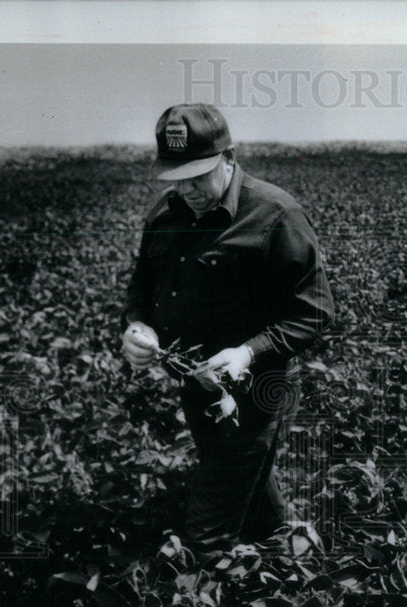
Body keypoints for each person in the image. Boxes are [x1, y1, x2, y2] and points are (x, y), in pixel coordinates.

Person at [121, 103, 334, 554]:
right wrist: (138, 326)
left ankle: (203, 600)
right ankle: (301, 561)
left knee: (208, 528)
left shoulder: (275, 215)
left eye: (199, 175)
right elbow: (142, 286)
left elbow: (314, 311)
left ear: (230, 158)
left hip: (260, 388)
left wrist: (247, 352)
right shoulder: (165, 216)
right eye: (176, 176)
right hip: (197, 384)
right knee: (251, 493)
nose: (188, 189)